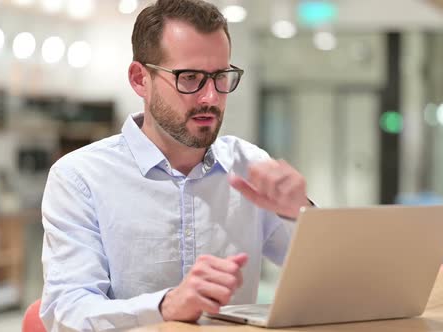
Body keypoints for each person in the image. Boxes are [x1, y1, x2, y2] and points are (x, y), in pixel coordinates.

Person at [39, 0, 311, 330]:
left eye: (220, 77)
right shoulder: (80, 178)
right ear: (140, 79)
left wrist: (301, 215)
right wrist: (165, 305)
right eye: (190, 77)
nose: (211, 97)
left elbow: (335, 279)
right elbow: (66, 312)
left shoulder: (249, 166)